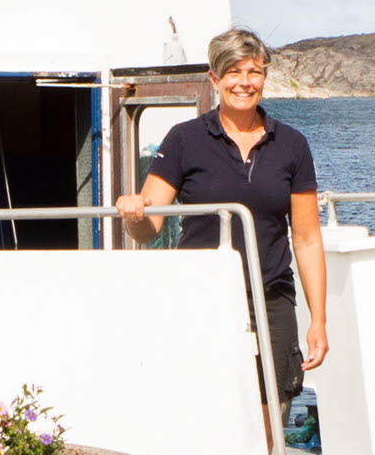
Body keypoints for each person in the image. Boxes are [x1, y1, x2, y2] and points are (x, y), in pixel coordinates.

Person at [125, 28, 327, 411]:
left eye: (254, 72)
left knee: (272, 409)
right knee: (207, 404)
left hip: (271, 296)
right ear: (215, 79)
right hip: (202, 295)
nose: (244, 83)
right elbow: (148, 228)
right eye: (233, 72)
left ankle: (266, 454)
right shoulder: (184, 139)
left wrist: (318, 319)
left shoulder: (292, 145)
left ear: (264, 77)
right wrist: (134, 214)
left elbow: (306, 239)